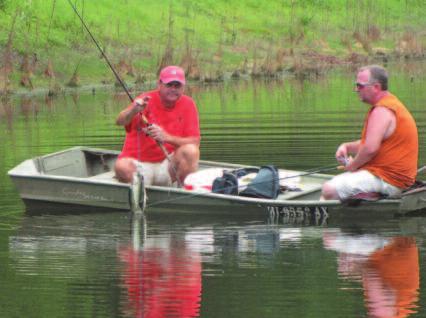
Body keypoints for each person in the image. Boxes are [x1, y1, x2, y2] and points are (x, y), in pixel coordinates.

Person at [321, 65, 418, 200]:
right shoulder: (389, 104)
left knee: (328, 189)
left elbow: (370, 149)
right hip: (388, 177)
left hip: (390, 181)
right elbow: (370, 143)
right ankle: (364, 195)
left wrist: (352, 167)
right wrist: (347, 146)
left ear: (376, 87)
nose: (356, 89)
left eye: (360, 86)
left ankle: (368, 196)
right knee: (335, 185)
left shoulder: (382, 110)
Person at [114, 65, 200, 186]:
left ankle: (184, 194)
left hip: (167, 166)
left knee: (191, 151)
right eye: (169, 85)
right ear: (159, 84)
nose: (173, 89)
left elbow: (194, 142)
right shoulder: (145, 100)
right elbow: (120, 121)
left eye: (177, 86)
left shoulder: (188, 104)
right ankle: (139, 192)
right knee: (121, 166)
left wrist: (166, 137)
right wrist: (133, 110)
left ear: (183, 87)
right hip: (139, 166)